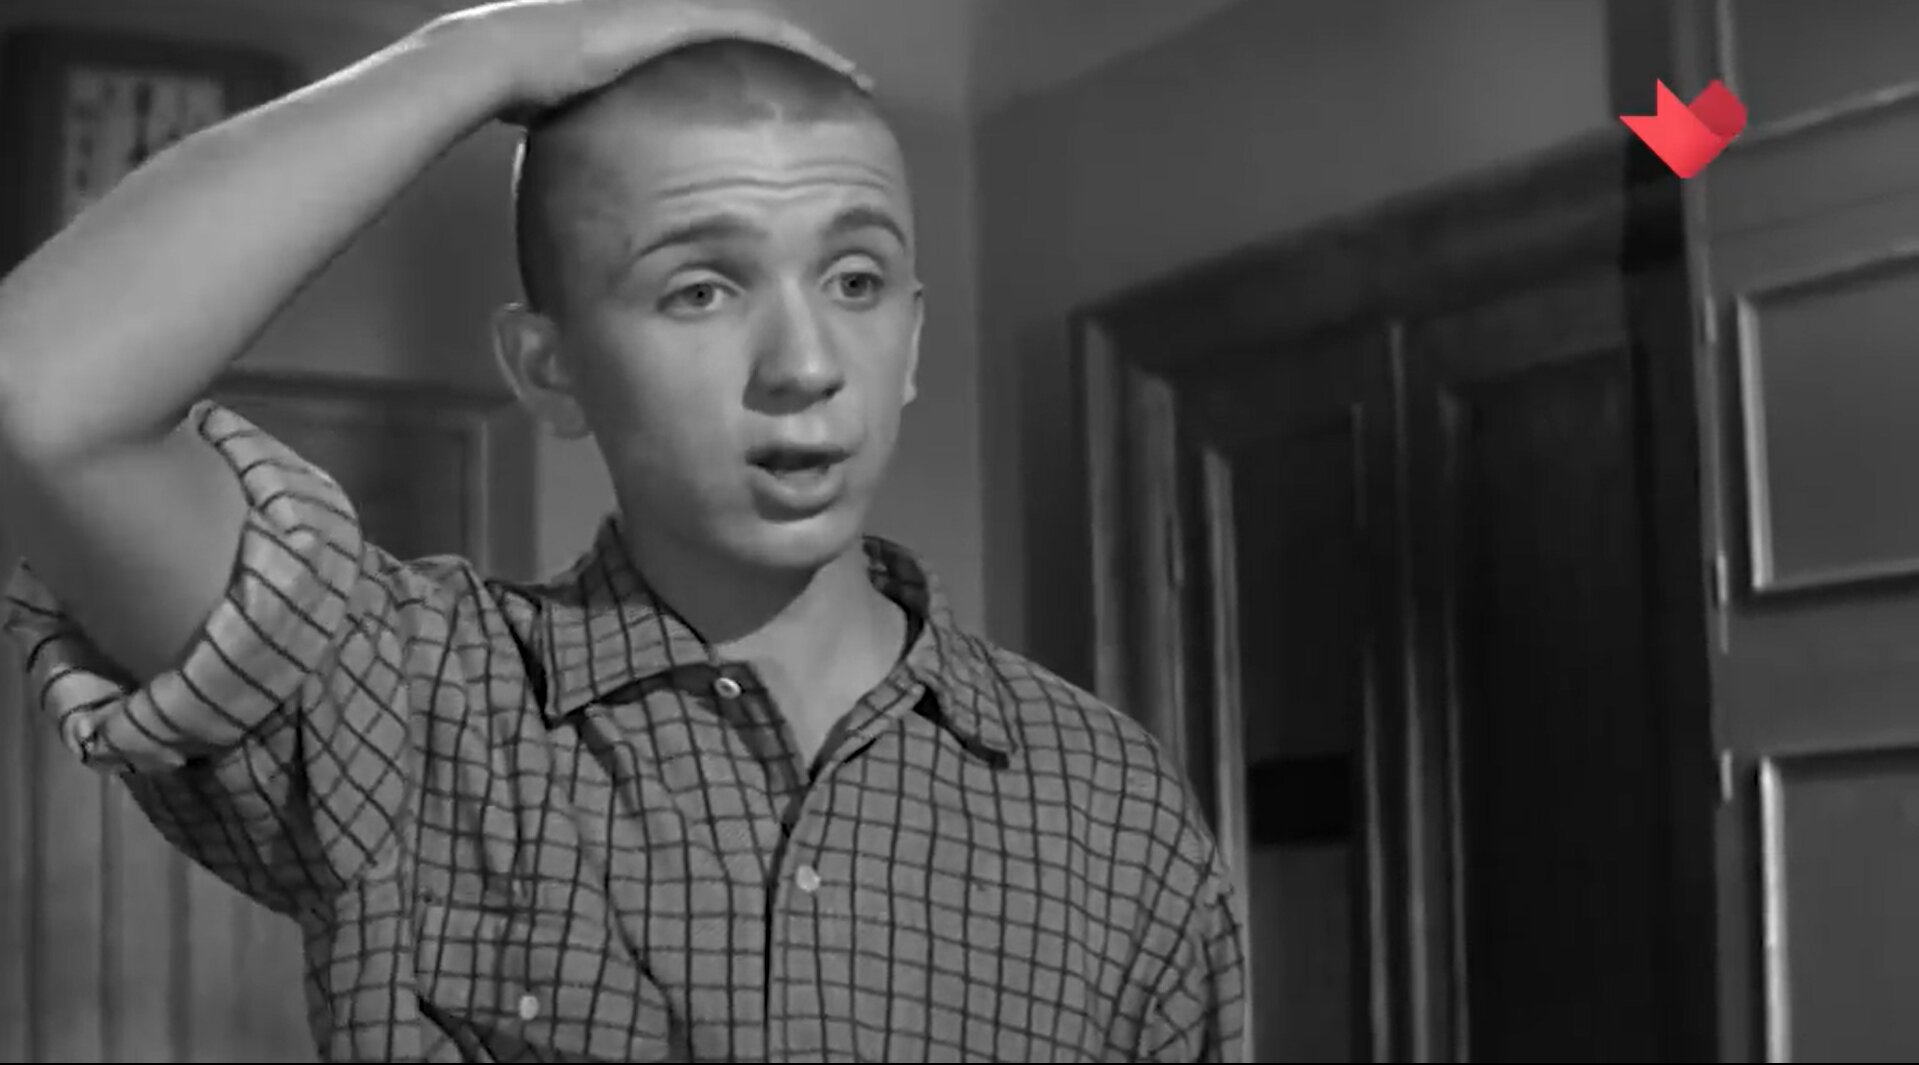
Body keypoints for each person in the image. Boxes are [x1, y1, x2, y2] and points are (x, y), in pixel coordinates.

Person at [0, 1, 1246, 1060]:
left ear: (912, 339)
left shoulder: (1110, 806)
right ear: (548, 371)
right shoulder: (419, 709)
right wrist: (482, 53)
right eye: (700, 289)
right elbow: (42, 396)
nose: (805, 363)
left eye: (855, 281)